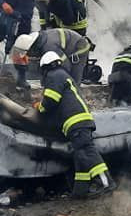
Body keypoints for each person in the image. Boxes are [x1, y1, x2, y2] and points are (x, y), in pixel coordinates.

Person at [36, 51, 113, 198]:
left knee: (86, 151)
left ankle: (106, 182)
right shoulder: (64, 75)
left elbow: (51, 101)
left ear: (45, 68)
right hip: (80, 120)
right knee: (80, 155)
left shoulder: (54, 76)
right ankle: (80, 191)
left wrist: (40, 107)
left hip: (76, 121)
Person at [12, 28, 92, 84]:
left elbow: (66, 65)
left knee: (73, 80)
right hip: (67, 48)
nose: (29, 56)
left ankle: (75, 99)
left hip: (79, 48)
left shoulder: (50, 47)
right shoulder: (40, 42)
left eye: (28, 53)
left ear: (32, 48)